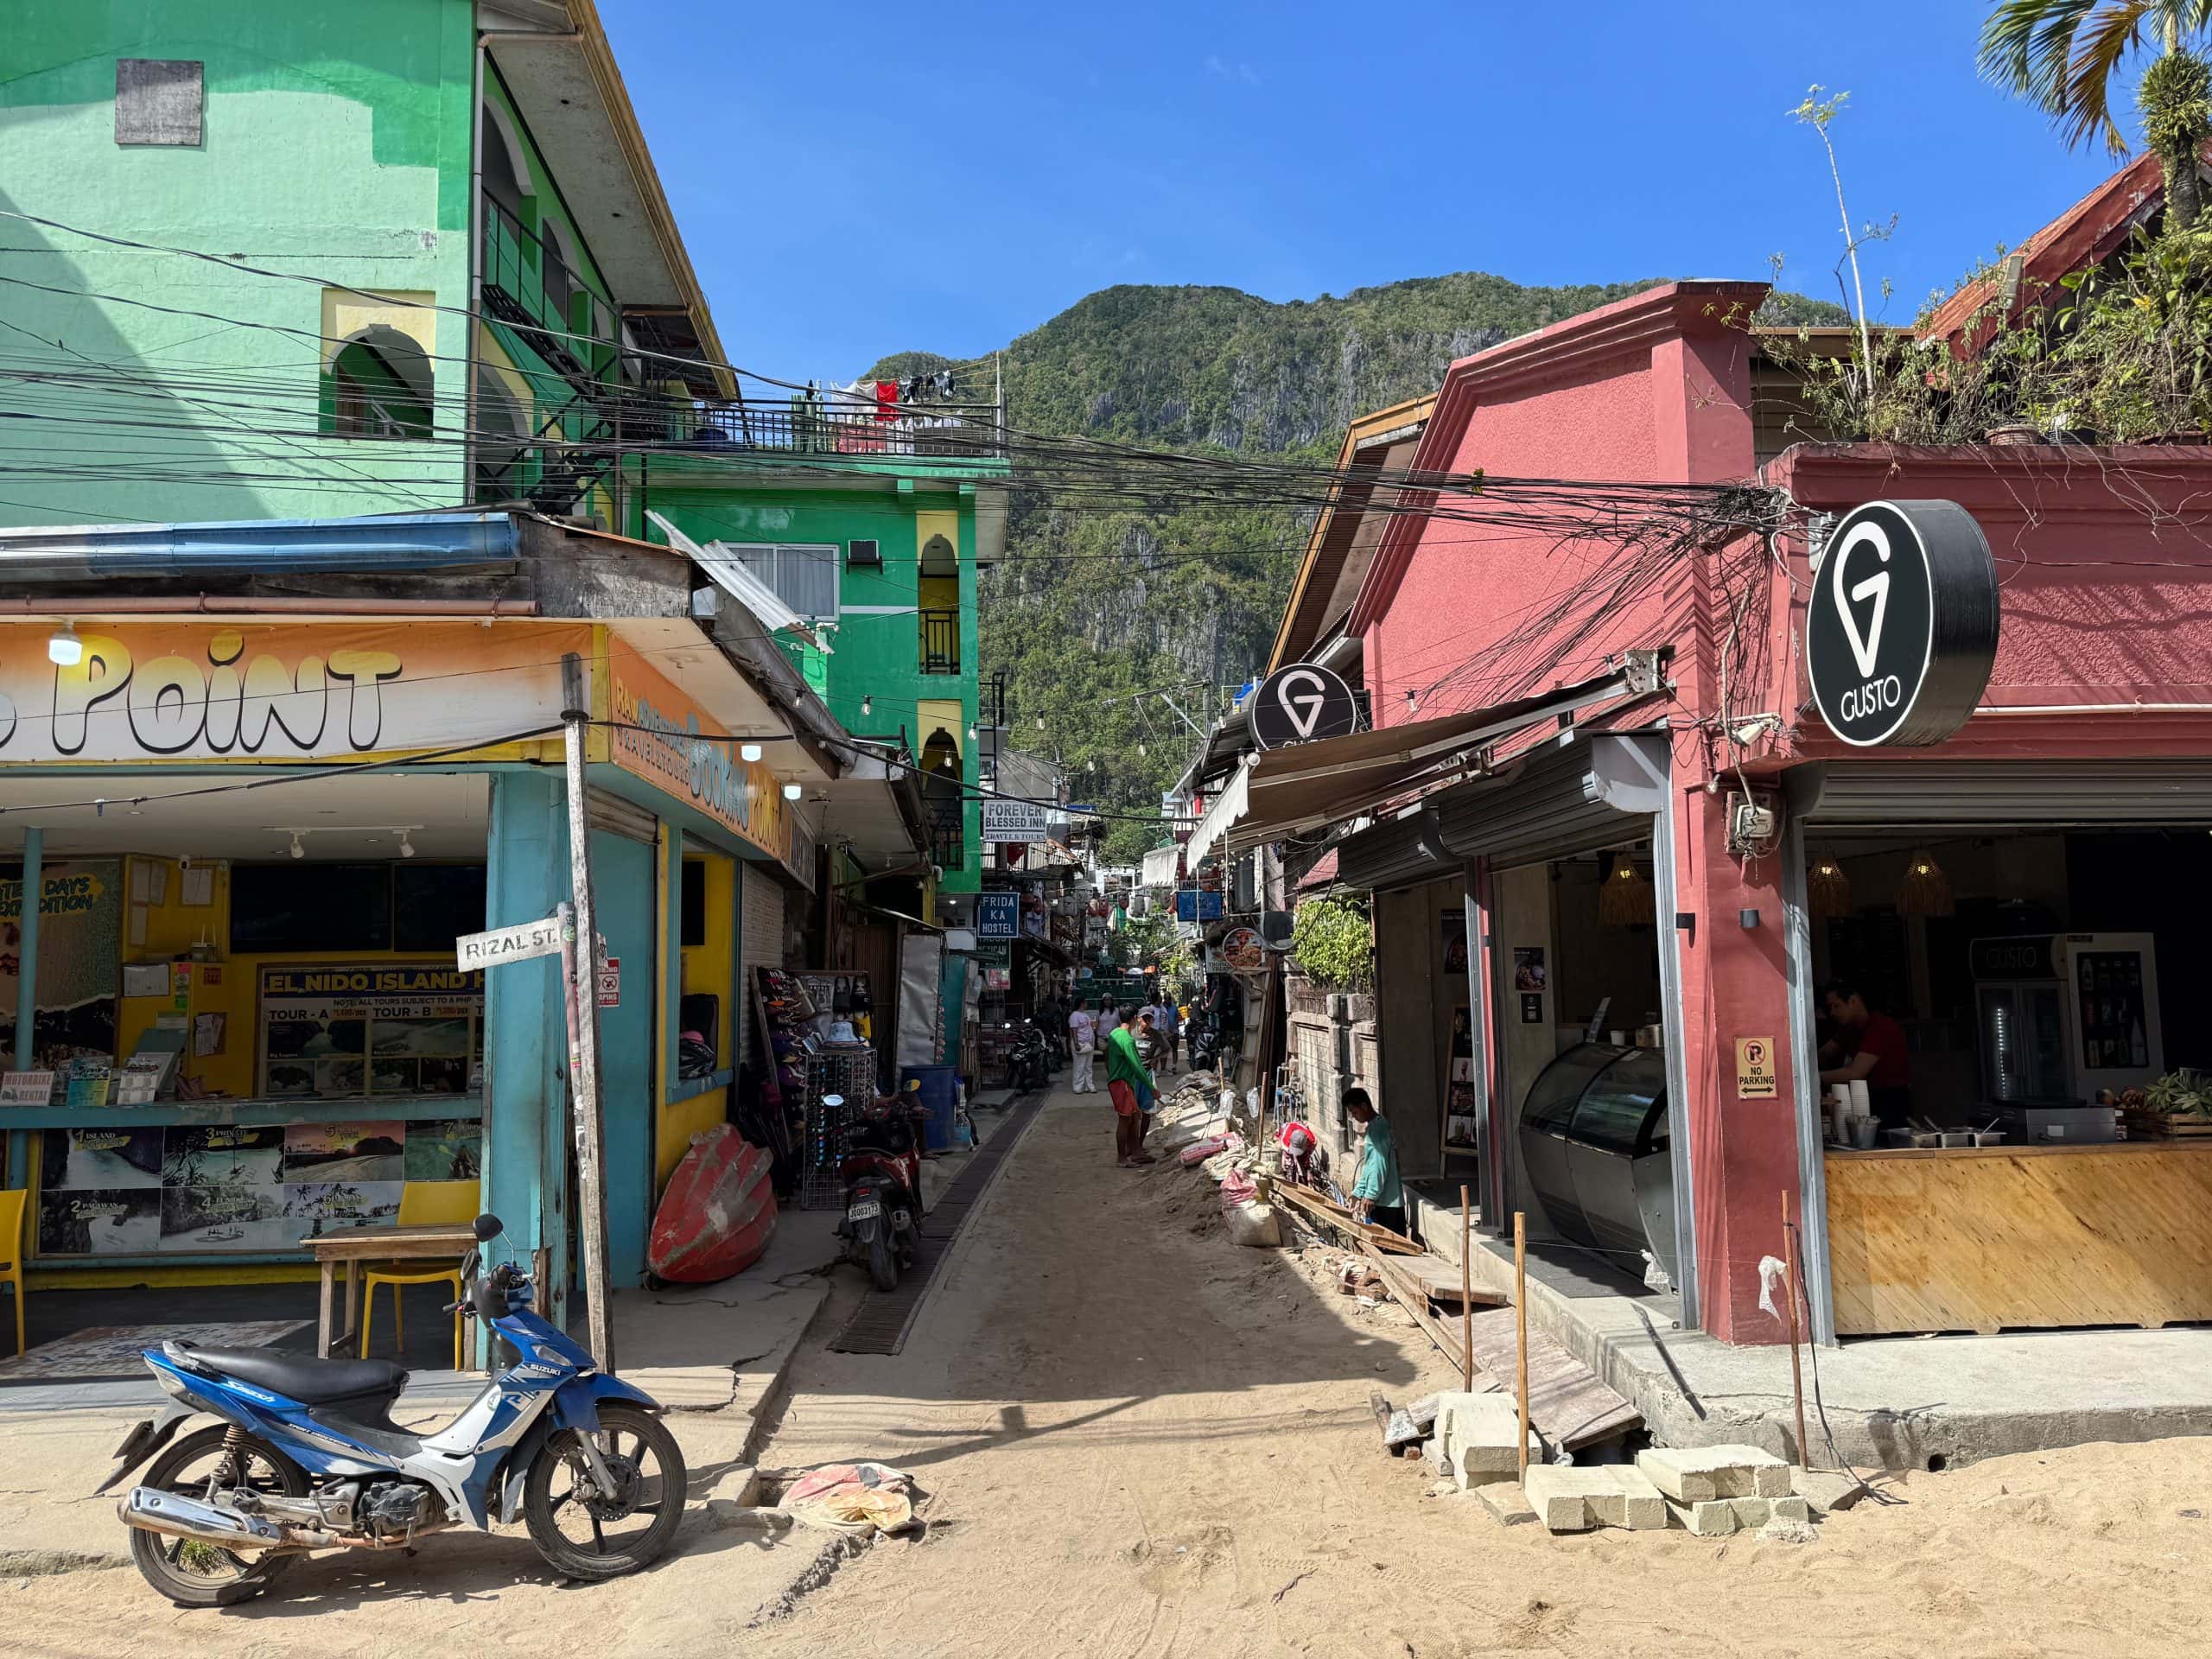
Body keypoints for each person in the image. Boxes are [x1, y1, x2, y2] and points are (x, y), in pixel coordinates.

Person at [1820, 979, 1912, 1129]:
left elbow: (1856, 1072)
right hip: (1864, 1099)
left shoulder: (1881, 1027)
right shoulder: (1849, 1029)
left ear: (1853, 1001)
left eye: (1836, 1006)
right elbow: (1824, 1054)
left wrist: (1815, 1077)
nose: (1832, 1013)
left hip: (1891, 1100)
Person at [1344, 1088, 1404, 1236]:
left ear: (1364, 1106)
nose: (1354, 1116)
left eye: (1355, 1111)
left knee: (1390, 1247)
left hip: (1387, 1203)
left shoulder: (1378, 1128)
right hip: (1383, 1200)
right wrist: (1358, 1192)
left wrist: (1371, 1195)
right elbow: (1369, 1166)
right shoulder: (1374, 1127)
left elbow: (1379, 1164)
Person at [1105, 1010, 1156, 1167]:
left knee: (1135, 1116)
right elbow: (1137, 1067)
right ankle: (1122, 1158)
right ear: (1135, 1019)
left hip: (1120, 1080)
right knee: (1125, 1119)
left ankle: (1136, 1151)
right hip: (1123, 1082)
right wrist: (1151, 1088)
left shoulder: (1114, 1033)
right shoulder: (1127, 1040)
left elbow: (1106, 1055)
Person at [1067, 996, 1098, 1094]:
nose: (1086, 1004)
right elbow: (1074, 1030)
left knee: (1088, 1066)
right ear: (1082, 1003)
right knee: (1079, 1066)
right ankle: (1078, 1086)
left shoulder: (1084, 1014)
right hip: (1080, 1043)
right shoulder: (1074, 1015)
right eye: (1085, 1002)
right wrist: (1076, 1043)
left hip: (1088, 1043)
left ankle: (1089, 1085)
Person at [1156, 995, 1180, 1075]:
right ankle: (1163, 1068)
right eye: (1166, 999)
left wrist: (1174, 1028)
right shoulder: (1161, 1008)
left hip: (1174, 1031)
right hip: (1164, 1032)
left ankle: (1174, 1066)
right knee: (1163, 1050)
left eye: (1169, 999)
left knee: (1175, 1049)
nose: (1167, 1001)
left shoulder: (1174, 1007)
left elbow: (1178, 1017)